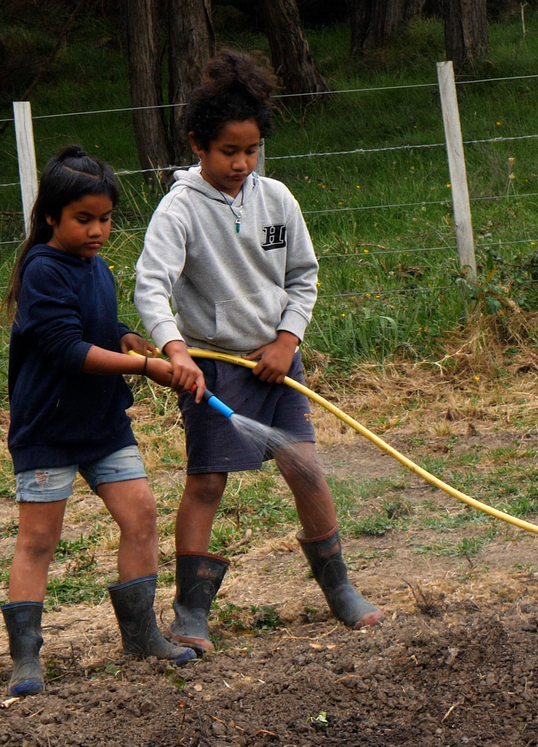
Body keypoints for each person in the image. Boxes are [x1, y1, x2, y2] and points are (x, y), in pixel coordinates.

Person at [135, 49, 381, 650]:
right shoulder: (179, 210)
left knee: (306, 470)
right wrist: (177, 351)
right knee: (208, 483)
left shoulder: (278, 201)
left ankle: (340, 588)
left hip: (277, 364)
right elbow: (151, 285)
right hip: (216, 370)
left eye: (250, 151)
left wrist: (287, 339)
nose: (242, 163)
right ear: (198, 144)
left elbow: (304, 277)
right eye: (228, 152)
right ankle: (191, 611)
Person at [1, 145, 195, 696]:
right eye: (83, 219)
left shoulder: (97, 268)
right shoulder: (42, 270)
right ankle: (26, 660)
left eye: (105, 219)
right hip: (48, 430)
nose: (97, 230)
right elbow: (66, 349)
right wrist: (145, 366)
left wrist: (129, 337)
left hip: (104, 423)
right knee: (38, 540)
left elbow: (96, 328)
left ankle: (140, 637)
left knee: (141, 515)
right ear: (50, 218)